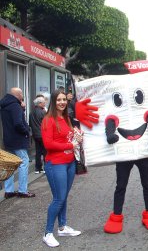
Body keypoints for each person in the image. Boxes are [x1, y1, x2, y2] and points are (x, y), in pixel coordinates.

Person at [41, 89, 81, 247]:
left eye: (64, 99)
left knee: (63, 196)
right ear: (53, 101)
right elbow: (48, 144)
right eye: (59, 100)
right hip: (55, 163)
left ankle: (63, 227)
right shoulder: (48, 120)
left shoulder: (66, 118)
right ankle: (48, 233)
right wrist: (70, 144)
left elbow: (69, 137)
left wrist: (77, 135)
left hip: (70, 162)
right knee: (58, 198)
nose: (62, 102)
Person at [0, 87, 35, 199]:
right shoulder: (15, 106)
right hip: (18, 140)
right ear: (18, 95)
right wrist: (27, 132)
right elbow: (18, 123)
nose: (22, 97)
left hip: (8, 139)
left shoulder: (5, 105)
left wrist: (22, 109)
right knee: (23, 162)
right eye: (21, 95)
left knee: (10, 164)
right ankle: (22, 190)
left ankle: (9, 191)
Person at [29, 95, 47, 173]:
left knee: (38, 151)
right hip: (42, 134)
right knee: (45, 151)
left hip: (35, 134)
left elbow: (30, 124)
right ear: (40, 103)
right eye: (43, 102)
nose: (45, 104)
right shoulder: (43, 112)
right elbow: (46, 123)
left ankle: (38, 168)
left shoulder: (31, 113)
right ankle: (46, 167)